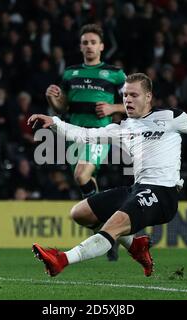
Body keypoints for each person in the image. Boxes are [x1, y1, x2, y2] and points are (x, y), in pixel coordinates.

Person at [29, 73, 187, 277]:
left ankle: (61, 260)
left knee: (113, 226)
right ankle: (136, 247)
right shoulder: (121, 128)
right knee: (80, 213)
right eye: (125, 96)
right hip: (137, 189)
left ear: (148, 97)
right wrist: (55, 122)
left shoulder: (170, 117)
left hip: (163, 193)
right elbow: (85, 135)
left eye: (134, 95)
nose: (127, 100)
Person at [45, 24, 126, 261]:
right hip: (75, 135)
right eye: (85, 42)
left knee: (80, 176)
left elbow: (138, 103)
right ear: (80, 47)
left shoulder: (115, 74)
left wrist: (114, 107)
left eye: (93, 42)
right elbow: (63, 107)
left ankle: (106, 233)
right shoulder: (71, 73)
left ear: (101, 46)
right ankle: (108, 235)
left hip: (100, 134)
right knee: (85, 180)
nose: (89, 46)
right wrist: (52, 99)